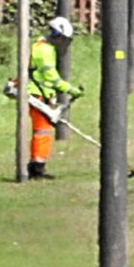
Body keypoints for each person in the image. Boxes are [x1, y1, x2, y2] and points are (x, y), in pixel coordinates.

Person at [26, 15, 81, 178]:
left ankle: (38, 164)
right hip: (37, 95)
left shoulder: (43, 47)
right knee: (42, 131)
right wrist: (70, 89)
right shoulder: (43, 50)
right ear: (57, 35)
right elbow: (51, 77)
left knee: (44, 131)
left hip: (42, 94)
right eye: (63, 39)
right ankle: (36, 167)